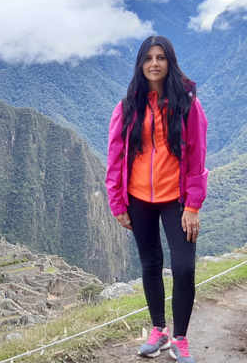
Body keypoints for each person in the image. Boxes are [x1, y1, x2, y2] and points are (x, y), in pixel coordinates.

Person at [106, 35, 208, 363]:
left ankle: (181, 338)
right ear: (140, 64)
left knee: (184, 268)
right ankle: (159, 330)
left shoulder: (187, 104)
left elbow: (196, 156)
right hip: (138, 197)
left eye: (160, 57)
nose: (154, 63)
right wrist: (117, 201)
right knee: (150, 264)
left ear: (170, 62)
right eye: (148, 57)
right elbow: (116, 155)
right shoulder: (128, 106)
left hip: (175, 197)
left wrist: (192, 205)